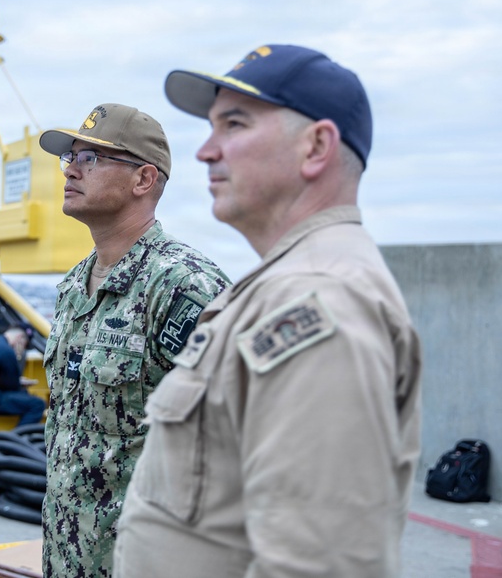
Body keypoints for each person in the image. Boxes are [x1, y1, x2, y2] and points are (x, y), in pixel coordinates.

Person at [113, 45, 423, 577]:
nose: (205, 152)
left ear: (317, 146)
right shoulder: (283, 285)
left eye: (234, 125)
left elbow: (320, 564)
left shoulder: (318, 298)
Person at [38, 103, 230, 577]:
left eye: (91, 159)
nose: (71, 170)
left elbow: (237, 442)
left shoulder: (184, 287)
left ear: (143, 180)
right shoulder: (72, 287)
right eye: (70, 159)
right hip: (68, 555)